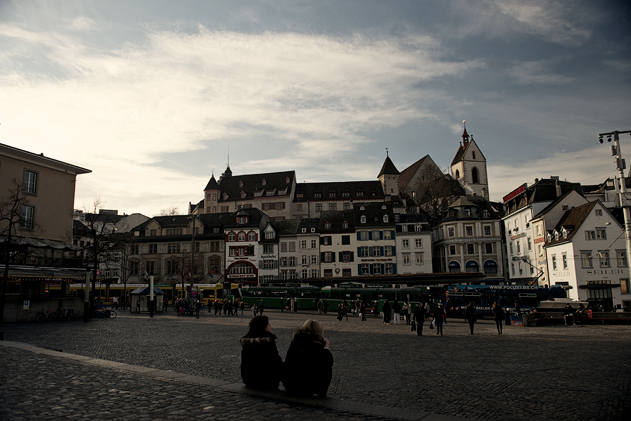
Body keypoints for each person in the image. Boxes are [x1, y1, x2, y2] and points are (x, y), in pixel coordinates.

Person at [283, 320, 334, 397]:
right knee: (327, 369)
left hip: (291, 384)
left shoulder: (296, 341)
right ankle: (321, 392)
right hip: (307, 386)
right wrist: (326, 348)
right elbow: (328, 362)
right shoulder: (316, 344)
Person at [239, 316, 283, 390]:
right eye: (268, 324)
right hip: (267, 381)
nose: (270, 325)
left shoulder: (247, 341)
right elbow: (276, 362)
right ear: (263, 326)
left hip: (249, 380)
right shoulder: (267, 341)